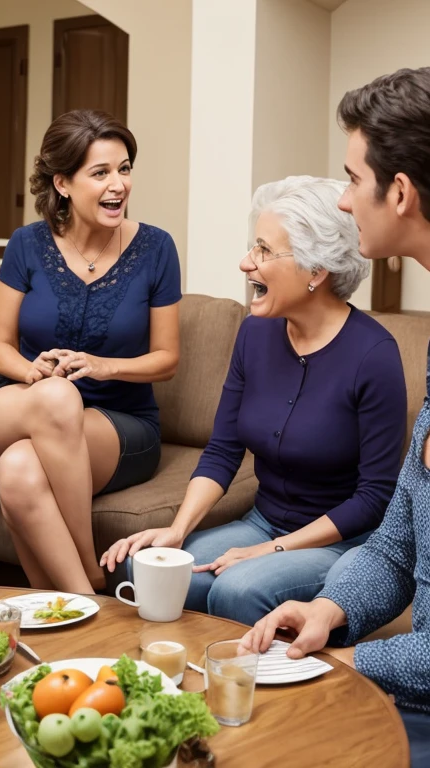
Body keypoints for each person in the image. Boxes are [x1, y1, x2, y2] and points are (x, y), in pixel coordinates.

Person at [100, 176, 407, 625]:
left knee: (236, 591)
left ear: (316, 271)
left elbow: (374, 498)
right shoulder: (255, 332)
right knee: (146, 569)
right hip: (261, 520)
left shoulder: (375, 356)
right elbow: (223, 450)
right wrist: (177, 530)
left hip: (339, 541)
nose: (246, 263)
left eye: (263, 250)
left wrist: (269, 550)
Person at [239, 67, 430, 765]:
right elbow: (396, 542)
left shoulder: (373, 350)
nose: (344, 203)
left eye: (352, 179)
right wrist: (328, 612)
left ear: (400, 192)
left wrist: (348, 666)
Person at [0, 110, 181, 594]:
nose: (118, 185)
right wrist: (30, 371)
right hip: (19, 405)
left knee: (19, 469)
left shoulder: (156, 249)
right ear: (63, 183)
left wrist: (105, 366)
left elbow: (167, 359)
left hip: (118, 421)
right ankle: (90, 568)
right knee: (58, 396)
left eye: (124, 169)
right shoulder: (26, 243)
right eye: (101, 173)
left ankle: (76, 605)